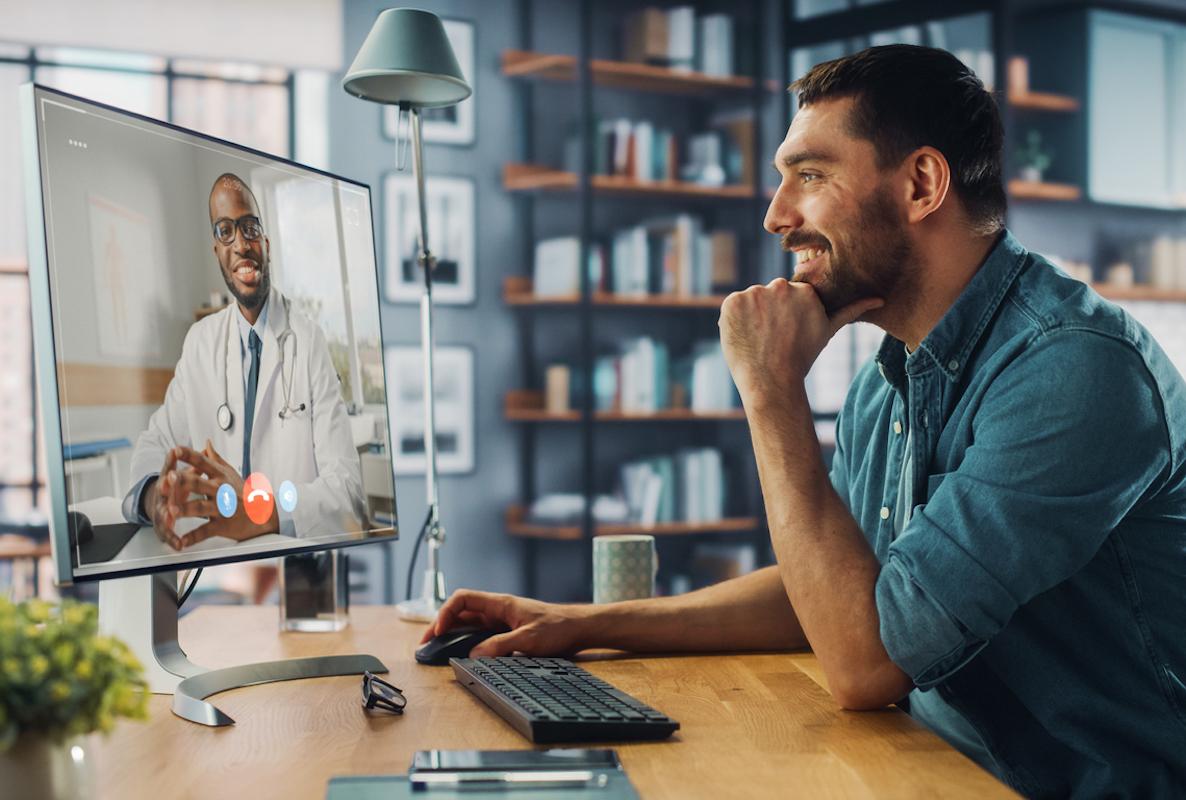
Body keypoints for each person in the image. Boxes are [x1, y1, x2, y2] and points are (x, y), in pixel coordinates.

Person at [423, 46, 1186, 797]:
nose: (775, 216)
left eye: (811, 176)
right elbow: (835, 596)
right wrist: (578, 624)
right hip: (933, 768)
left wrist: (770, 389)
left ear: (922, 183)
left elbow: (864, 662)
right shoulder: (889, 378)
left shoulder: (1072, 371)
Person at [122, 173, 366, 550]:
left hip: (289, 557)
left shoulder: (308, 339)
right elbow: (156, 443)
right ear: (216, 251)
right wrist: (156, 496)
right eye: (225, 232)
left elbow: (347, 489)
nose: (240, 244)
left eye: (249, 228)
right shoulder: (200, 342)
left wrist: (262, 509)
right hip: (218, 559)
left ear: (267, 244)